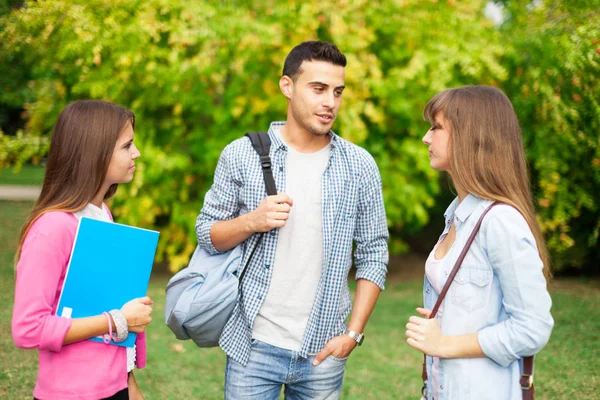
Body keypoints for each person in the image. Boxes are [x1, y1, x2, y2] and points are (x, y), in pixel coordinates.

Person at [196, 40, 389, 399]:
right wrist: (251, 221)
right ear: (287, 86)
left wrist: (353, 334)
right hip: (252, 344)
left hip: (324, 350)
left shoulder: (359, 166)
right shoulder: (241, 155)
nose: (330, 102)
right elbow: (207, 234)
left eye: (337, 92)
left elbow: (374, 252)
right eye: (318, 89)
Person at [405, 85, 554, 400]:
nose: (426, 138)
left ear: (470, 135)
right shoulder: (456, 215)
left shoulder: (500, 222)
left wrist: (444, 345)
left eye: (436, 128)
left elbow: (533, 328)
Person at [12, 100, 154, 400]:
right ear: (96, 153)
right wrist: (117, 320)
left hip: (113, 388)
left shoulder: (101, 214)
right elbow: (28, 329)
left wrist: (129, 385)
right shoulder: (52, 227)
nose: (136, 153)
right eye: (127, 145)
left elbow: (106, 306)